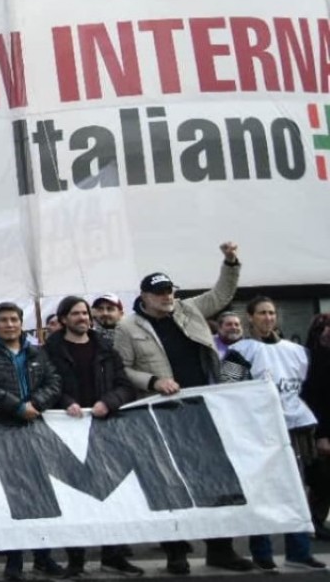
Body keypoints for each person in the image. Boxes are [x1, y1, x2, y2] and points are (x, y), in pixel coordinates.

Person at [113, 241, 252, 575]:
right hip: (163, 413)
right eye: (160, 293)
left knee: (215, 479)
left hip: (203, 407)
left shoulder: (189, 309)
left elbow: (221, 294)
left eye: (170, 291)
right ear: (144, 296)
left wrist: (230, 262)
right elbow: (122, 369)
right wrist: (153, 382)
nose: (167, 297)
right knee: (169, 482)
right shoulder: (127, 327)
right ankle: (176, 553)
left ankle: (221, 549)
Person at [43, 296, 142, 578]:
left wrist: (108, 402)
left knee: (114, 494)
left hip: (105, 428)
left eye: (85, 313)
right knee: (74, 497)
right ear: (63, 319)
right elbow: (47, 385)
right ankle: (76, 560)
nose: (82, 318)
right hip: (67, 430)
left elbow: (125, 387)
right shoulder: (49, 352)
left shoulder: (106, 349)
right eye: (75, 314)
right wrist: (66, 402)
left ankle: (113, 555)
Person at [0, 302, 67, 582]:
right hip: (4, 429)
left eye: (14, 319)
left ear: (21, 322)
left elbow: (54, 381)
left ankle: (43, 557)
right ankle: (14, 559)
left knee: (42, 494)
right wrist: (17, 407)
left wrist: (35, 403)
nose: (10, 324)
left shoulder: (37, 351)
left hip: (36, 427)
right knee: (12, 497)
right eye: (3, 320)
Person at [228, 297, 325, 570]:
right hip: (257, 431)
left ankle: (298, 551)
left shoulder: (297, 351)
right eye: (262, 313)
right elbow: (227, 390)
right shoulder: (238, 352)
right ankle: (262, 552)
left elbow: (306, 389)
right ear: (250, 317)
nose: (268, 318)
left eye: (271, 313)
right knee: (262, 493)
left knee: (296, 491)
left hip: (293, 430)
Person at [304, 313, 330, 539]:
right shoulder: (314, 359)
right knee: (323, 478)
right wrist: (321, 434)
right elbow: (314, 398)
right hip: (322, 427)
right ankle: (314, 520)